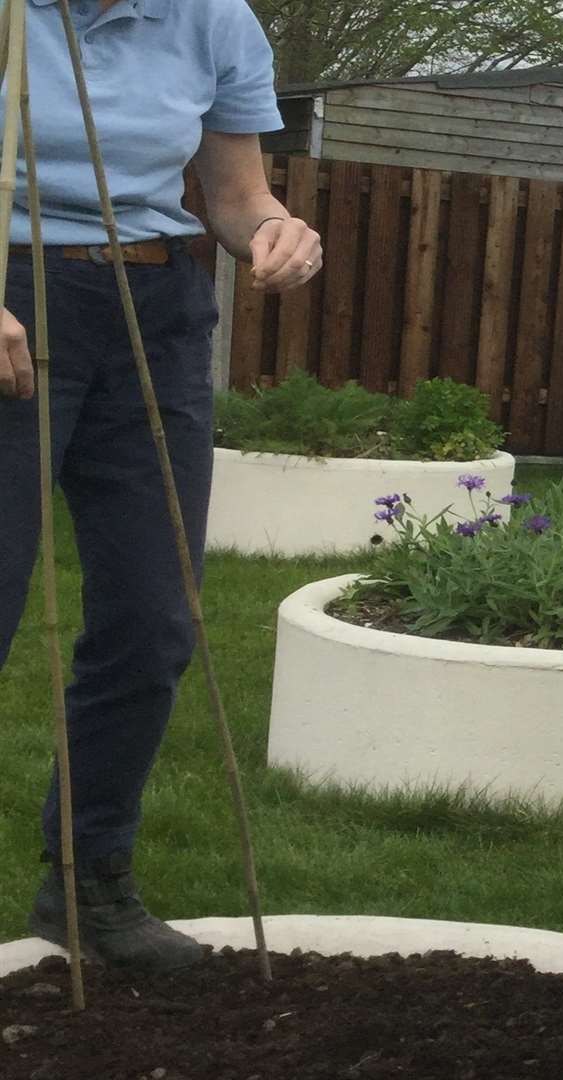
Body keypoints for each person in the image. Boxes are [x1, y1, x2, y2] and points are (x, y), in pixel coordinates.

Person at [0, 0, 322, 971]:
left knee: (153, 621)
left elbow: (232, 193)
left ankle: (89, 887)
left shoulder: (214, 19)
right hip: (14, 298)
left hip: (156, 308)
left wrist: (274, 231)